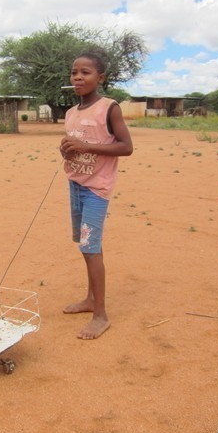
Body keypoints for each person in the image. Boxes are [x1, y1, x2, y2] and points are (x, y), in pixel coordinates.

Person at [60, 52, 133, 340]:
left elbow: (126, 147)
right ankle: (90, 298)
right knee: (86, 245)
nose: (78, 77)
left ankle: (100, 315)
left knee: (91, 247)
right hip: (75, 185)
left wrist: (84, 147)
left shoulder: (109, 108)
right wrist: (67, 149)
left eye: (86, 72)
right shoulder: (71, 112)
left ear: (100, 77)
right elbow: (75, 145)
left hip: (96, 189)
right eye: (74, 72)